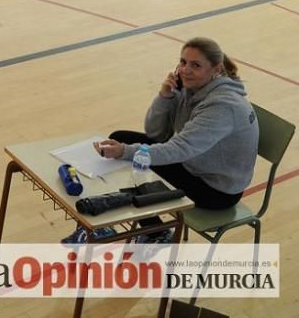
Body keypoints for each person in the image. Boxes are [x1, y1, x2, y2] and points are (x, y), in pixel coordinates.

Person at [80, 38, 259, 243]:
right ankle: (148, 227)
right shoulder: (191, 89)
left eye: (196, 65)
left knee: (129, 158)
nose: (186, 70)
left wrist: (125, 152)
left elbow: (179, 149)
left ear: (216, 69)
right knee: (121, 138)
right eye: (183, 62)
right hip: (193, 165)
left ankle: (156, 233)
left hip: (215, 189)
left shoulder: (223, 106)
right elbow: (157, 134)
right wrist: (165, 96)